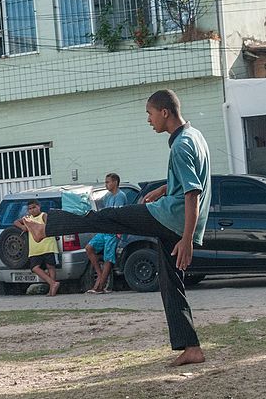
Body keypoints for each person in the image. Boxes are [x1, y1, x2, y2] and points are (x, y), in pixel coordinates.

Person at [25, 89, 211, 367]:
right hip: (173, 217)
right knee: (170, 282)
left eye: (149, 114)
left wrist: (186, 238)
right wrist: (163, 188)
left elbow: (192, 193)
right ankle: (192, 348)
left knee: (108, 217)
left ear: (164, 112)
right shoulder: (194, 135)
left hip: (169, 219)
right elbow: (189, 182)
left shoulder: (182, 145)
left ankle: (47, 226)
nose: (148, 120)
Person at [84, 173, 127, 294]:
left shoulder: (120, 196)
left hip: (113, 232)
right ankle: (100, 274)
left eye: (108, 182)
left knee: (109, 257)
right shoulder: (107, 196)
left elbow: (118, 214)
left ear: (115, 182)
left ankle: (100, 285)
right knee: (89, 247)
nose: (106, 184)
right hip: (104, 230)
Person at [14, 200, 60, 297]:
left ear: (39, 207)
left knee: (50, 266)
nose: (32, 210)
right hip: (35, 248)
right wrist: (23, 227)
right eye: (30, 209)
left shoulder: (43, 215)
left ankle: (52, 290)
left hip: (48, 245)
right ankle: (52, 283)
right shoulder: (28, 219)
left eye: (34, 207)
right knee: (35, 268)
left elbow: (49, 226)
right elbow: (16, 222)